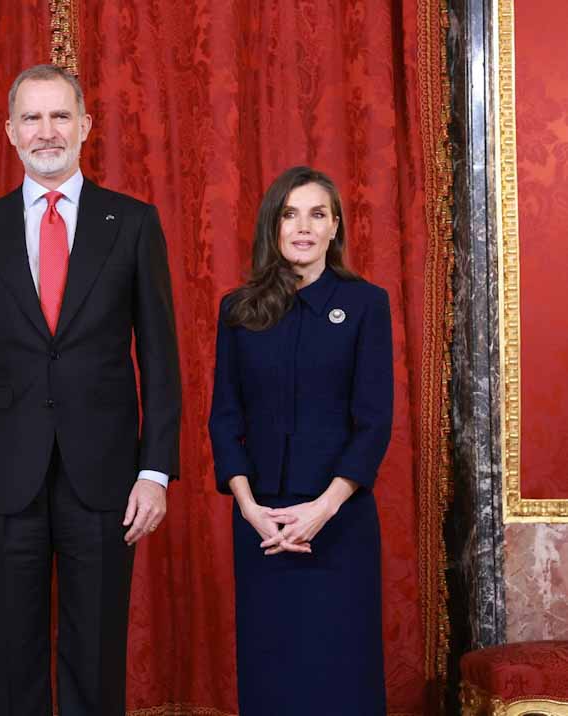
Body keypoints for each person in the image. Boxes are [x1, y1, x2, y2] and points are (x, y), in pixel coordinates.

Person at [0, 64, 181, 715]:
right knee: (12, 659)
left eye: (60, 116)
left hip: (105, 478)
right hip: (0, 482)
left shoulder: (131, 224)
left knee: (96, 655)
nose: (47, 131)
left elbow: (160, 359)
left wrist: (155, 471)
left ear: (85, 127)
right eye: (33, 118)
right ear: (11, 131)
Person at [208, 165, 393, 714]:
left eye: (317, 214)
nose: (303, 227)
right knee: (273, 675)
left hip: (340, 524)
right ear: (274, 226)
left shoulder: (366, 304)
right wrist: (250, 509)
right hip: (263, 525)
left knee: (341, 674)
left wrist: (323, 509)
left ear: (335, 227)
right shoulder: (238, 310)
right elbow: (224, 417)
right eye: (290, 214)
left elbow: (374, 420)